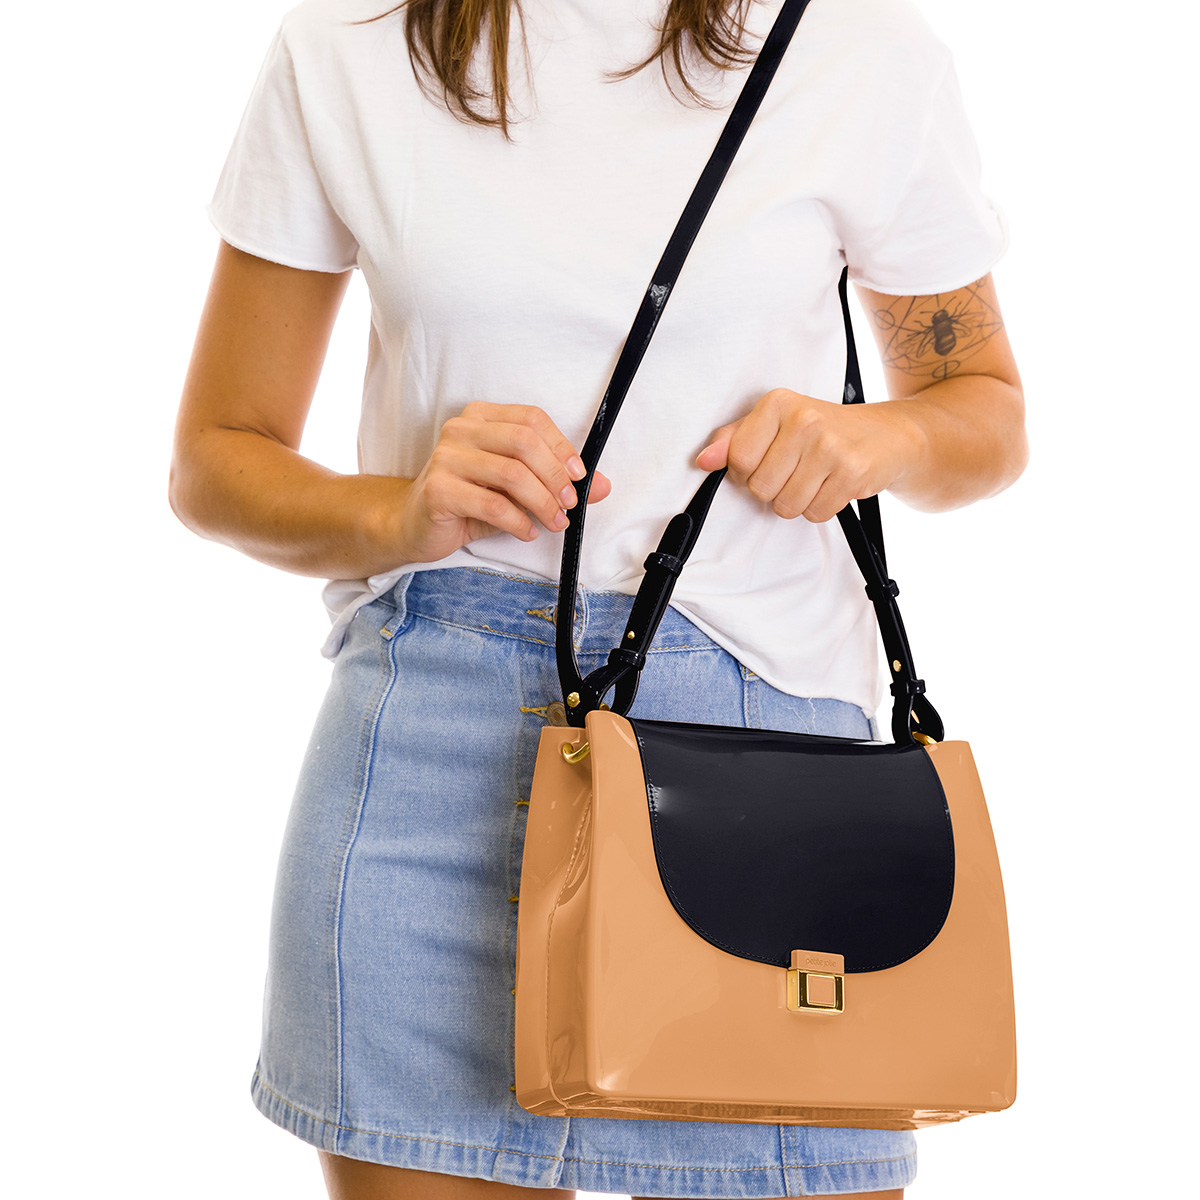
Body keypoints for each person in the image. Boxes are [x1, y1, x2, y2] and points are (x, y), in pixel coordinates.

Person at [169, 0, 1027, 1197]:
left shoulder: (856, 49)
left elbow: (984, 411)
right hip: (433, 760)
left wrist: (875, 439)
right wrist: (401, 510)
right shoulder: (347, 46)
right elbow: (216, 457)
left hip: (764, 764)